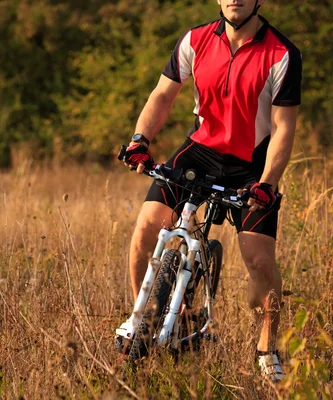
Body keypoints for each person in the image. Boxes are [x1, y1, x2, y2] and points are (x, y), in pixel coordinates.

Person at [119, 0, 301, 382]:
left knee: (260, 264)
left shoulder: (282, 53)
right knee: (145, 232)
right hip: (200, 151)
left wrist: (266, 184)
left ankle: (268, 348)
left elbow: (284, 128)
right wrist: (140, 140)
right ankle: (142, 319)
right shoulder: (196, 39)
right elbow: (162, 95)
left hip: (253, 164)